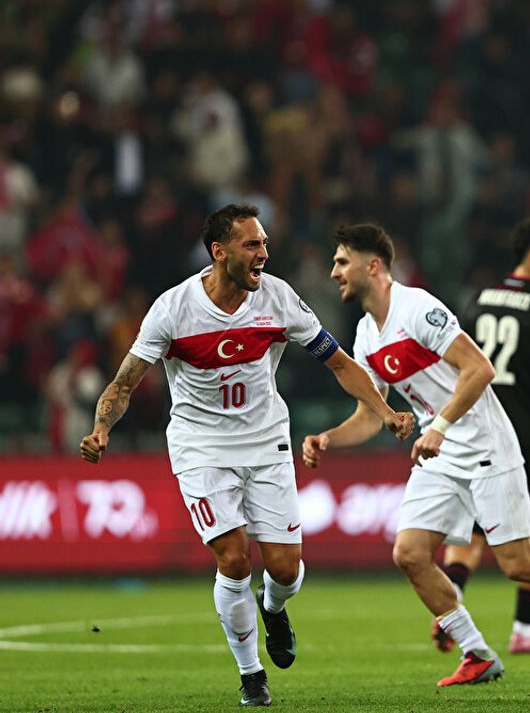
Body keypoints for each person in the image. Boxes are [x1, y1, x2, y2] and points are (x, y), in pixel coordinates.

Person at [79, 203, 416, 707]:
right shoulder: (173, 309)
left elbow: (340, 363)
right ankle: (251, 674)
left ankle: (273, 608)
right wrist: (101, 427)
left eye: (264, 243)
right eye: (252, 244)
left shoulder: (279, 298)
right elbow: (124, 383)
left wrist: (384, 410)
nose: (263, 253)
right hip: (200, 446)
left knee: (285, 570)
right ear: (219, 252)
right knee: (234, 559)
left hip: (265, 442)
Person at [302, 223, 530, 688]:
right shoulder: (366, 334)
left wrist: (439, 427)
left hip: (485, 441)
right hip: (441, 451)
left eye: (342, 262)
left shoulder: (418, 308)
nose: (334, 272)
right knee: (410, 554)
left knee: (521, 564)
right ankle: (478, 653)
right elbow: (370, 416)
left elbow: (479, 369)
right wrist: (328, 438)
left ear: (374, 266)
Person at [439, 218, 530, 655]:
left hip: (476, 431)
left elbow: (454, 366)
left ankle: (449, 608)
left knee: (470, 532)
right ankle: (523, 631)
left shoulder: (479, 298)